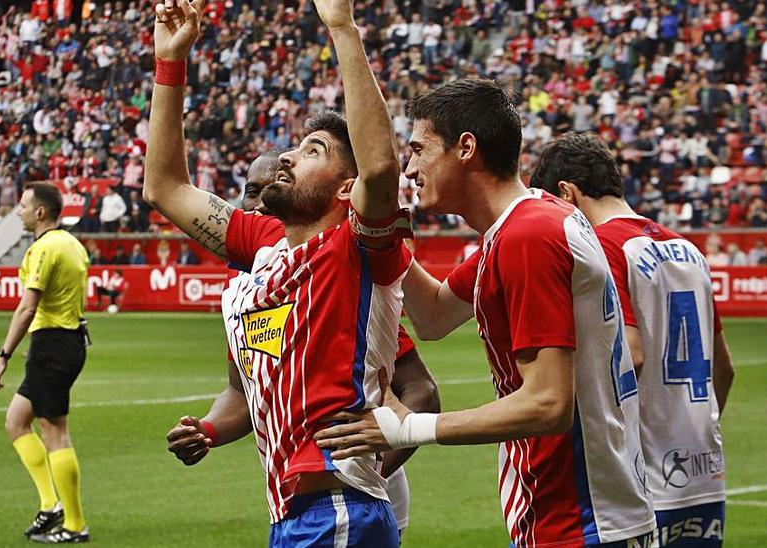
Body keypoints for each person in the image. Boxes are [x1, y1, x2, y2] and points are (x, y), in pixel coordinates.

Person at [315, 79, 655, 547]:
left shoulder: (528, 237)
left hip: (581, 522)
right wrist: (382, 237)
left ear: (466, 148)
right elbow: (433, 316)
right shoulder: (528, 221)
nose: (411, 169)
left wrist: (408, 427)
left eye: (418, 150)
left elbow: (547, 403)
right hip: (583, 515)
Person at [144, 0, 413, 544]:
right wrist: (170, 63)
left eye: (311, 151)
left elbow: (381, 166)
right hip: (294, 513)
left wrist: (341, 26)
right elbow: (165, 189)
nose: (287, 158)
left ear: (346, 189)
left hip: (339, 506)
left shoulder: (358, 245)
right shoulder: (264, 247)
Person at [166, 151, 440, 538]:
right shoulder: (246, 288)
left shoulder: (337, 278)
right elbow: (241, 392)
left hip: (351, 492)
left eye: (274, 186)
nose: (261, 203)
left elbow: (420, 390)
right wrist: (207, 430)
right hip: (293, 500)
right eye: (252, 192)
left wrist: (359, 470)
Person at [533, 132, 734, 547]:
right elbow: (724, 369)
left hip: (642, 481)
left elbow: (631, 356)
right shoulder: (688, 249)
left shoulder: (602, 247)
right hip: (702, 471)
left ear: (566, 194)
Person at [0, 182, 92, 544]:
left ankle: (76, 525)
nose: (19, 211)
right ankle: (51, 505)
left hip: (53, 344)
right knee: (17, 421)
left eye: (23, 205)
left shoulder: (44, 248)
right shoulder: (73, 244)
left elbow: (27, 307)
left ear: (41, 212)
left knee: (55, 432)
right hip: (67, 339)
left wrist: (3, 357)